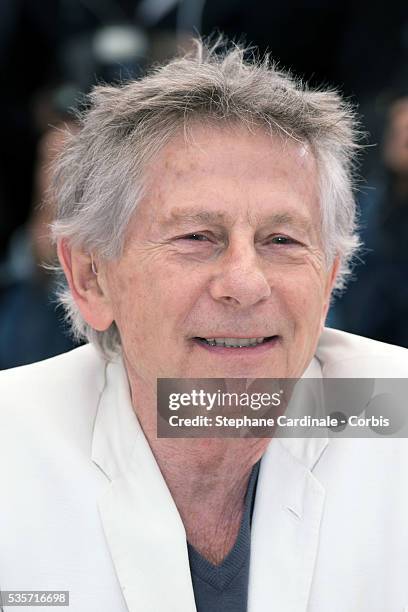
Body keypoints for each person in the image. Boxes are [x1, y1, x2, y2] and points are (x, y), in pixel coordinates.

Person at [0, 39, 407, 612]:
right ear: (92, 277)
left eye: (282, 241)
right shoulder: (11, 445)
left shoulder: (388, 411)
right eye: (197, 237)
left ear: (330, 280)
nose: (246, 283)